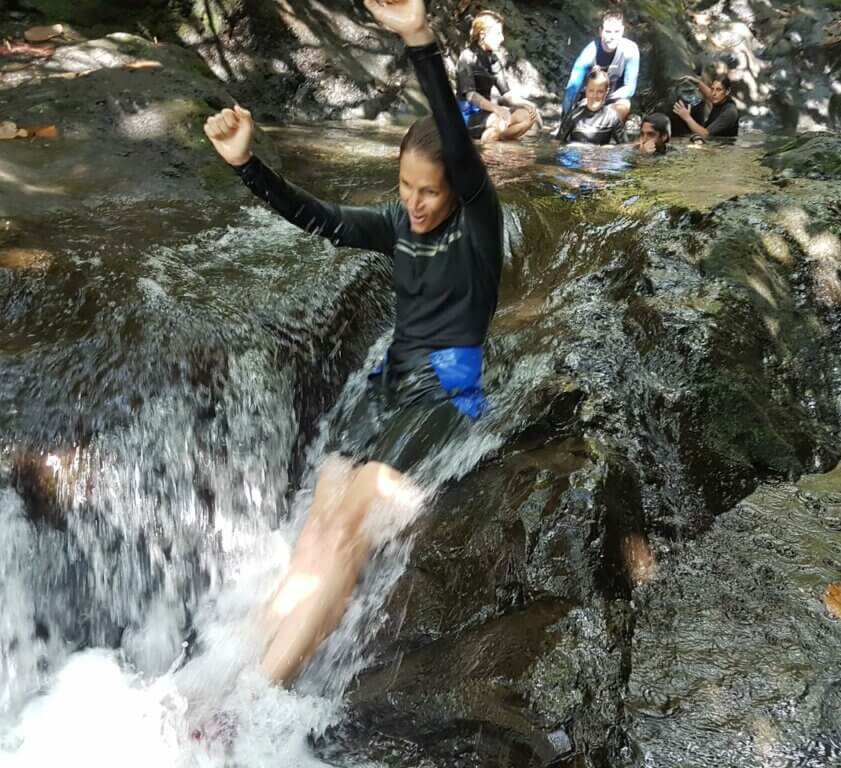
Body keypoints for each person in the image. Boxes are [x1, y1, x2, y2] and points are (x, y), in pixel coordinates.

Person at [202, 0, 502, 687]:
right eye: (405, 187)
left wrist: (419, 38)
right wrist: (247, 165)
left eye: (431, 191)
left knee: (345, 530)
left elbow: (457, 143)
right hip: (390, 392)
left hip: (445, 400)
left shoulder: (479, 229)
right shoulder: (398, 224)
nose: (417, 203)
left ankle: (259, 694)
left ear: (460, 191)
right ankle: (230, 668)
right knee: (319, 520)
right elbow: (322, 220)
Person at [456, 10, 539, 143]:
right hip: (467, 115)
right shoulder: (467, 56)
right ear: (482, 34)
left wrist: (527, 105)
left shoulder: (493, 59)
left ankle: (495, 138)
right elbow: (470, 95)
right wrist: (496, 109)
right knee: (499, 122)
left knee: (526, 116)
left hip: (488, 113)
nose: (502, 38)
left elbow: (506, 94)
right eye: (497, 33)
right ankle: (486, 152)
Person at [560, 10, 639, 124]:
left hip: (614, 98)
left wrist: (606, 99)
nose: (612, 37)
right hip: (589, 99)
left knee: (625, 105)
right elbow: (572, 89)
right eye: (608, 32)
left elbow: (630, 88)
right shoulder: (589, 53)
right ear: (600, 31)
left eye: (616, 32)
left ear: (622, 31)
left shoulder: (630, 50)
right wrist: (565, 120)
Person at [557, 69, 626, 146]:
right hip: (577, 155)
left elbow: (624, 146)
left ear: (606, 92)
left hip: (601, 156)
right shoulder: (573, 116)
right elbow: (557, 143)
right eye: (591, 91)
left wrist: (609, 150)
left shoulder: (612, 117)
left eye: (600, 91)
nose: (595, 95)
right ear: (586, 90)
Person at [672, 75, 740, 139]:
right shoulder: (720, 99)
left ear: (727, 91)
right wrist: (698, 83)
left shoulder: (730, 112)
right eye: (712, 89)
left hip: (723, 147)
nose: (713, 93)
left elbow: (705, 134)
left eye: (719, 89)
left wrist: (686, 117)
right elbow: (710, 95)